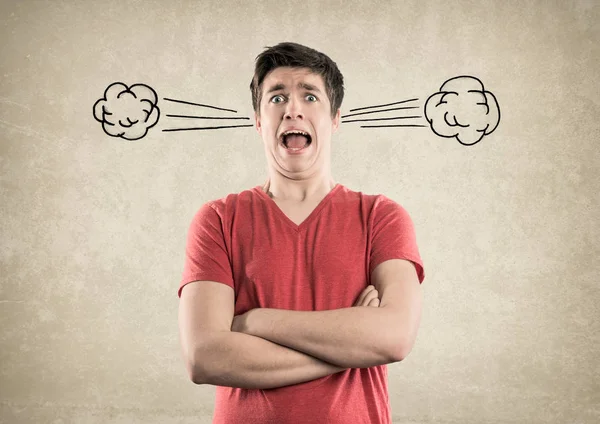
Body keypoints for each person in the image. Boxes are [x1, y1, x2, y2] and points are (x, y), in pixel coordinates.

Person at [177, 42, 425, 424]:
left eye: (310, 96)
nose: (292, 108)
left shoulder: (382, 217)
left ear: (335, 118)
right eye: (277, 97)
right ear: (258, 121)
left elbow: (394, 337)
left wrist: (255, 321)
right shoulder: (218, 219)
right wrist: (350, 346)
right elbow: (204, 357)